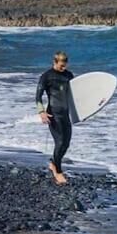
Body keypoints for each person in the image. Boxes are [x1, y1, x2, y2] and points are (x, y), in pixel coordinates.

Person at [36, 51, 74, 185]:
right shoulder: (47, 76)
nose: (63, 68)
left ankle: (54, 163)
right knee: (60, 142)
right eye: (61, 66)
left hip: (65, 114)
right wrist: (41, 112)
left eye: (65, 65)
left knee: (66, 143)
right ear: (55, 62)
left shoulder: (69, 75)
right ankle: (58, 172)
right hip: (53, 114)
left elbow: (76, 96)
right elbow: (38, 96)